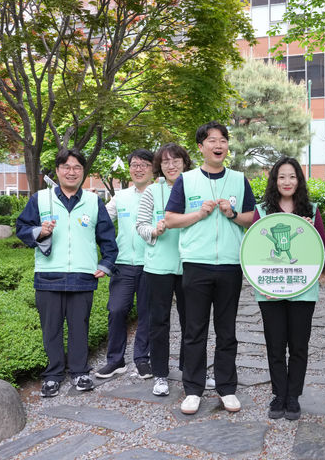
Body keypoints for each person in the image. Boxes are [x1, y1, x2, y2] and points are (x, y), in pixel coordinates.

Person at [165, 121, 255, 415]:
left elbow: (252, 218)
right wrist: (199, 213)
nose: (219, 145)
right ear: (201, 147)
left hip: (230, 265)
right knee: (194, 330)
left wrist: (233, 213)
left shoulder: (239, 180)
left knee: (227, 331)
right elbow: (170, 219)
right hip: (196, 265)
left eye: (223, 140)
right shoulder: (186, 180)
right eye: (212, 140)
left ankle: (227, 388)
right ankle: (193, 389)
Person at [16, 149, 118, 398]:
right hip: (48, 276)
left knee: (79, 327)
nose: (71, 172)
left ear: (83, 172)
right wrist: (40, 231)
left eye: (77, 168)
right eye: (66, 167)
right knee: (51, 329)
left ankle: (80, 372)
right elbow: (22, 228)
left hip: (83, 276)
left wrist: (105, 265)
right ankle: (53, 376)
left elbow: (107, 238)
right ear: (58, 171)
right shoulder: (40, 199)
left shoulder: (93, 202)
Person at [135, 143, 214, 396]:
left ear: (185, 162)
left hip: (191, 264)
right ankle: (160, 374)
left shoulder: (196, 186)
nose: (171, 165)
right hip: (159, 266)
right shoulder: (151, 192)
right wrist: (154, 231)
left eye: (176, 160)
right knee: (159, 322)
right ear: (160, 165)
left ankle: (193, 370)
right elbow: (140, 226)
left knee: (193, 321)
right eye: (166, 161)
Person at [253, 157, 325, 421]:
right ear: (275, 180)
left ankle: (293, 396)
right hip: (270, 290)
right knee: (275, 344)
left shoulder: (312, 209)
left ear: (299, 180)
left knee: (298, 345)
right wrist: (263, 283)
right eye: (282, 176)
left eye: (292, 176)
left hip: (303, 290)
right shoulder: (262, 211)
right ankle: (278, 395)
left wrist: (309, 230)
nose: (287, 182)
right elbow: (255, 252)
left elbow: (321, 248)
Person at [95, 149, 154, 380]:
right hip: (123, 263)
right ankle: (115, 360)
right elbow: (103, 219)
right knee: (116, 310)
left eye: (144, 165)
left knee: (147, 313)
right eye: (134, 164)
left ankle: (142, 359)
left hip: (151, 264)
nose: (138, 169)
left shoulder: (160, 195)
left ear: (152, 169)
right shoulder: (121, 197)